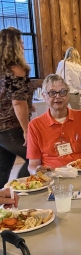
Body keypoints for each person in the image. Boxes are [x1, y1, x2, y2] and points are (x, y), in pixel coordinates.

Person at [27, 74, 81, 172]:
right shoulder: (35, 125)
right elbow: (33, 165)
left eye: (63, 92)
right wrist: (36, 171)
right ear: (44, 96)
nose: (58, 96)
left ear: (68, 94)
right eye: (52, 93)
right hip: (53, 177)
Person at [0, 27, 33, 189]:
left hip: (1, 129)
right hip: (12, 127)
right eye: (20, 43)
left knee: (3, 169)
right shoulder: (16, 70)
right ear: (13, 46)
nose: (23, 47)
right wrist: (27, 130)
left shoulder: (2, 70)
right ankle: (20, 192)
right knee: (35, 159)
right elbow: (18, 102)